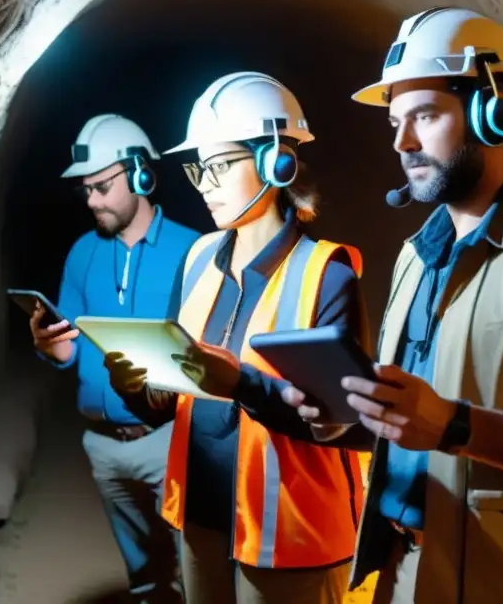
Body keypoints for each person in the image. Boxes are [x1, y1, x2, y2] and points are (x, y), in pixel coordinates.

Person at [283, 7, 503, 604]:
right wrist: (348, 418)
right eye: (396, 122)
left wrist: (455, 425)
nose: (402, 142)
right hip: (405, 566)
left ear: (495, 114)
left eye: (424, 116)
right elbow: (416, 420)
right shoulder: (414, 256)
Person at [102, 72, 369, 604]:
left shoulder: (325, 274)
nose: (204, 184)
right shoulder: (199, 258)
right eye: (197, 169)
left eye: (219, 166)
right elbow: (167, 405)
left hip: (292, 537)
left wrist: (241, 385)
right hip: (202, 519)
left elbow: (350, 424)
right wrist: (134, 384)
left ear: (277, 162)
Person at [30, 114, 199, 604]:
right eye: (85, 190)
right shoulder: (83, 252)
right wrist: (49, 346)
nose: (92, 200)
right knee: (143, 575)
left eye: (102, 186)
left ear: (141, 174)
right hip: (103, 446)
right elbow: (68, 345)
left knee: (195, 572)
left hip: (168, 441)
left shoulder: (193, 250)